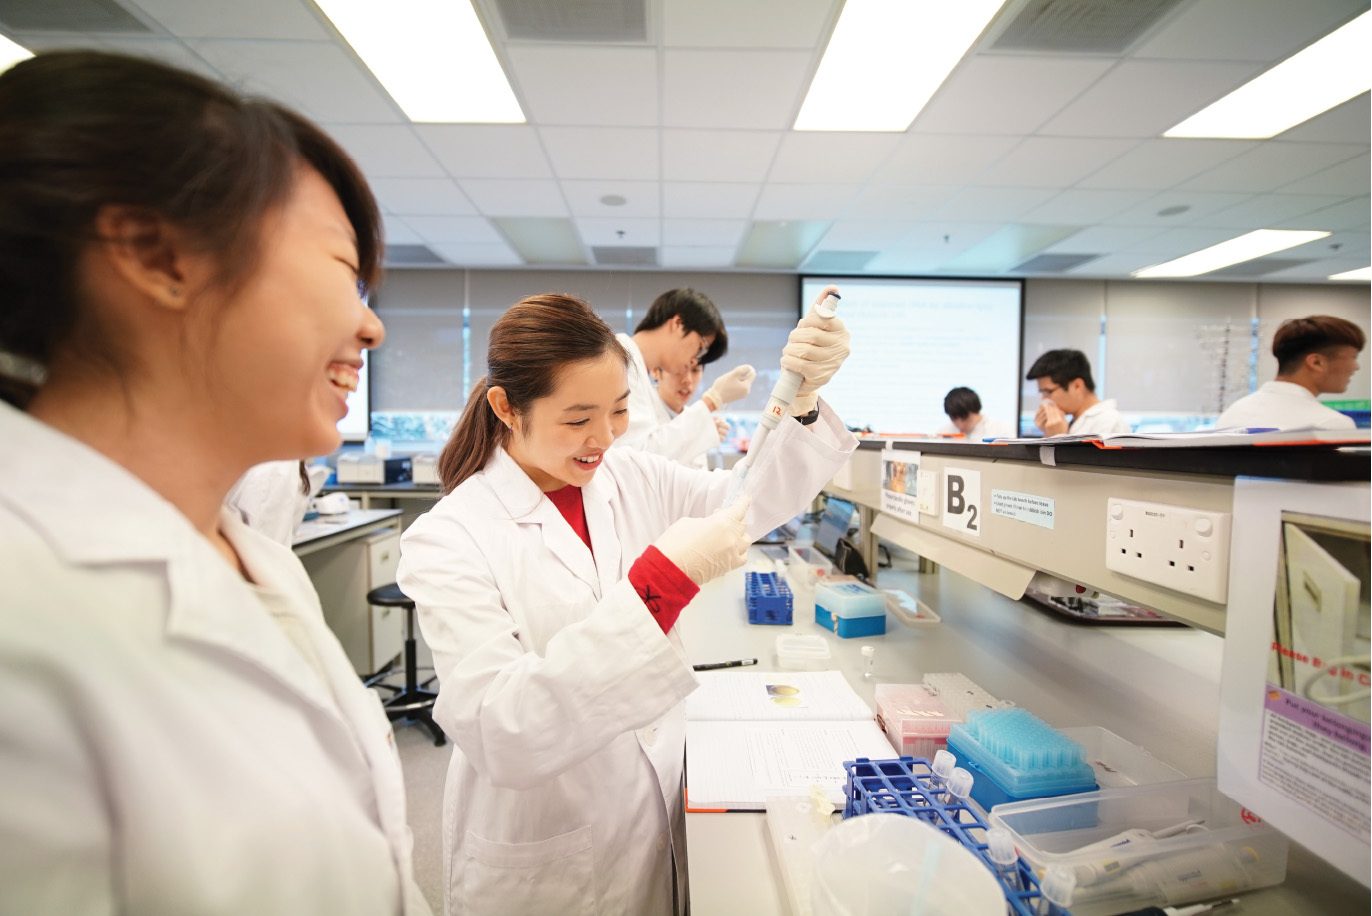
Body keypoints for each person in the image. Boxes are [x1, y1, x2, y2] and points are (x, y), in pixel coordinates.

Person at [0, 52, 429, 915]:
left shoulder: (252, 560)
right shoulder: (22, 611)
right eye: (347, 272)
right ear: (161, 257)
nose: (373, 325)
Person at [397, 289, 853, 915]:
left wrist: (798, 405)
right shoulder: (449, 536)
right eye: (578, 418)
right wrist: (663, 584)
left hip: (649, 804)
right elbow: (503, 728)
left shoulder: (626, 474)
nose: (604, 438)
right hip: (543, 845)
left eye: (616, 411)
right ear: (506, 407)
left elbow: (745, 501)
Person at [615, 287, 756, 461]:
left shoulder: (636, 369)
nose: (694, 361)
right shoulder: (620, 361)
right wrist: (713, 400)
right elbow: (640, 459)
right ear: (678, 324)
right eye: (700, 347)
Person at [1217, 316, 1365, 431]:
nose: (1356, 367)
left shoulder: (1235, 412)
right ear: (1316, 362)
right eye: (1353, 357)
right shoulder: (1329, 424)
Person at [1025, 349, 1130, 436]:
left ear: (1077, 386)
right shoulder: (1071, 421)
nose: (1044, 399)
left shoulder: (1109, 422)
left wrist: (1057, 437)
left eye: (1048, 392)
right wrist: (1048, 433)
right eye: (1042, 392)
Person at [654, 358, 730, 468]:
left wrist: (704, 436)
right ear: (656, 371)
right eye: (679, 370)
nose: (688, 380)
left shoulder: (695, 418)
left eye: (695, 370)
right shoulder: (639, 413)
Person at [938, 386, 1015, 439]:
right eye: (954, 420)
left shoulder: (1001, 429)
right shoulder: (944, 432)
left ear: (976, 410)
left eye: (965, 418)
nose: (961, 426)